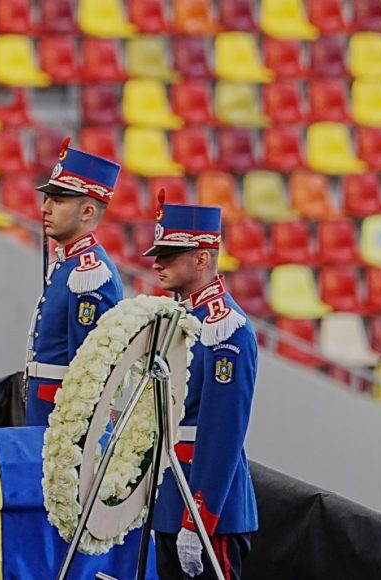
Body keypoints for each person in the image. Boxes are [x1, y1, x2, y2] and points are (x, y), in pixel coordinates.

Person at [143, 201, 258, 580]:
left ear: (202, 258)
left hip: (204, 507)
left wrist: (198, 518)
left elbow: (222, 433)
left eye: (169, 255)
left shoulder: (226, 330)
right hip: (170, 500)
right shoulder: (181, 318)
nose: (157, 263)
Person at [25, 137, 124, 426]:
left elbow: (88, 371)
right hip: (45, 407)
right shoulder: (69, 264)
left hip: (62, 417)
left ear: (87, 212)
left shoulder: (89, 275)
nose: (45, 208)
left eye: (57, 201)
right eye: (47, 199)